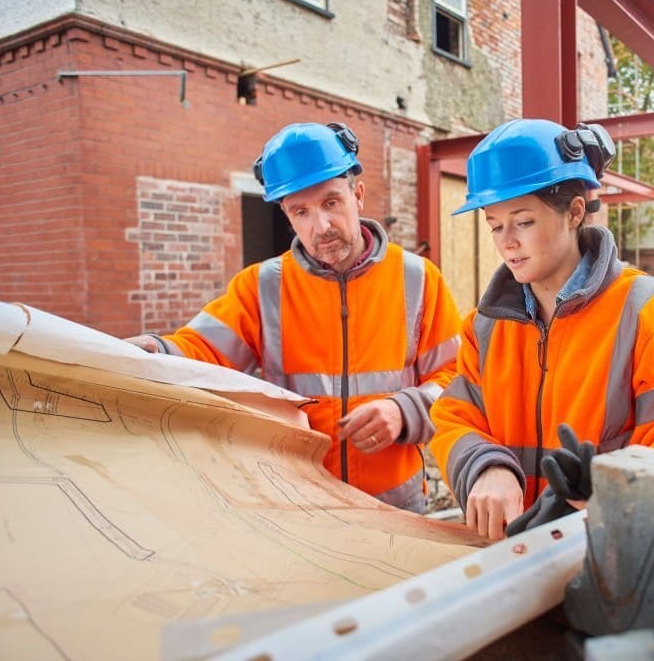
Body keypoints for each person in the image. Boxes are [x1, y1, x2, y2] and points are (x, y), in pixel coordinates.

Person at [125, 122, 462, 513]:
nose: (320, 227)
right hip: (299, 503)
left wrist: (403, 411)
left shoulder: (417, 278)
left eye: (331, 203)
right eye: (301, 212)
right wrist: (158, 350)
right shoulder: (262, 286)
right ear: (287, 215)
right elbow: (201, 350)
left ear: (358, 194)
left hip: (398, 506)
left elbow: (457, 378)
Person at [428, 118, 654, 540]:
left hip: (610, 549)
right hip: (508, 553)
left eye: (524, 221)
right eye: (495, 225)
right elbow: (455, 417)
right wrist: (485, 466)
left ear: (574, 212)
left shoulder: (648, 310)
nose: (507, 243)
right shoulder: (485, 326)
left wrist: (617, 485)